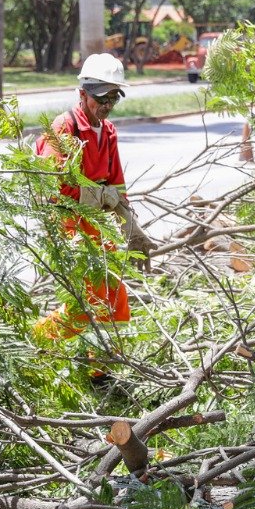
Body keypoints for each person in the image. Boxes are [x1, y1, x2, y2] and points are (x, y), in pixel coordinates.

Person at [33, 53, 155, 341]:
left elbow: (117, 188)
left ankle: (104, 368)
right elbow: (58, 186)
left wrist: (133, 231)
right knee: (85, 303)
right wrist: (101, 195)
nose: (107, 105)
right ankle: (35, 342)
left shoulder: (109, 131)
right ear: (82, 94)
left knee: (115, 296)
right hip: (68, 224)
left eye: (113, 98)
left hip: (96, 223)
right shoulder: (64, 127)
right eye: (101, 98)